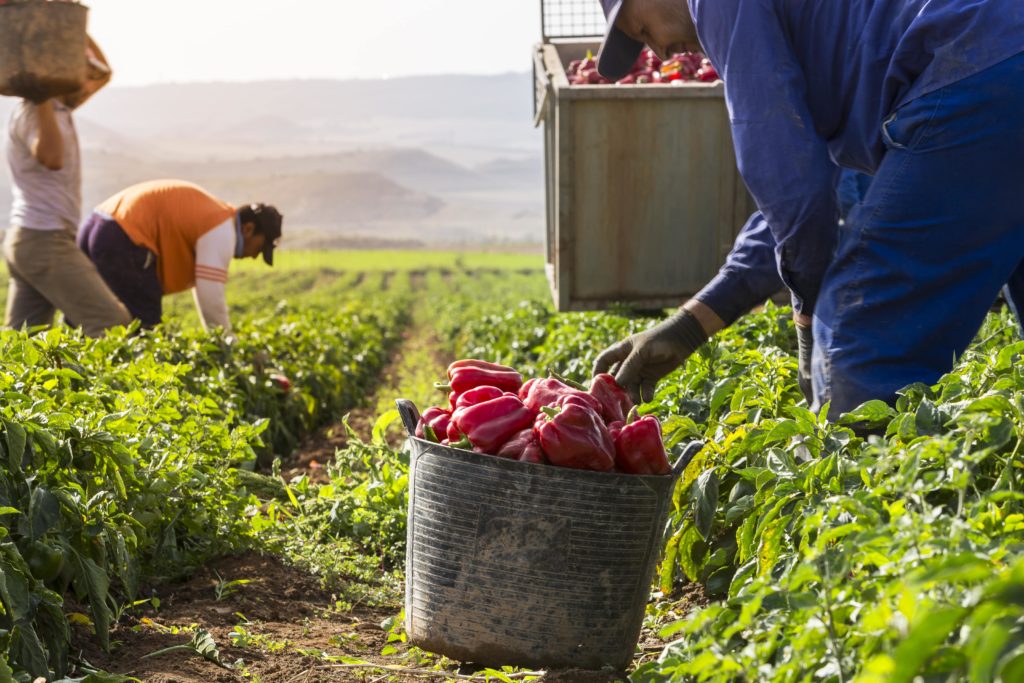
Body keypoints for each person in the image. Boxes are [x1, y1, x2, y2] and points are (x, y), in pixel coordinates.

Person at [591, 0, 1024, 418]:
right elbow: (797, 195)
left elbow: (789, 183)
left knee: (860, 342)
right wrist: (690, 325)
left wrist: (811, 314)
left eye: (644, 30)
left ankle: (881, 489)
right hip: (1001, 53)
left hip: (980, 68)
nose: (659, 52)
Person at [3, 36, 132, 336]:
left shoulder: (58, 106)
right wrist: (42, 98)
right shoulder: (36, 109)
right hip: (43, 239)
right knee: (112, 324)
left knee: (24, 342)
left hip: (31, 240)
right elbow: (51, 157)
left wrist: (77, 27)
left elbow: (103, 73)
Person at [77, 180, 282, 333]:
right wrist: (228, 349)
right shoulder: (222, 231)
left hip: (97, 223)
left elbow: (202, 289)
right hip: (123, 236)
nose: (254, 256)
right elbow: (212, 301)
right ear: (248, 229)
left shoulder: (214, 215)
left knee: (84, 315)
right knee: (144, 328)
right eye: (259, 248)